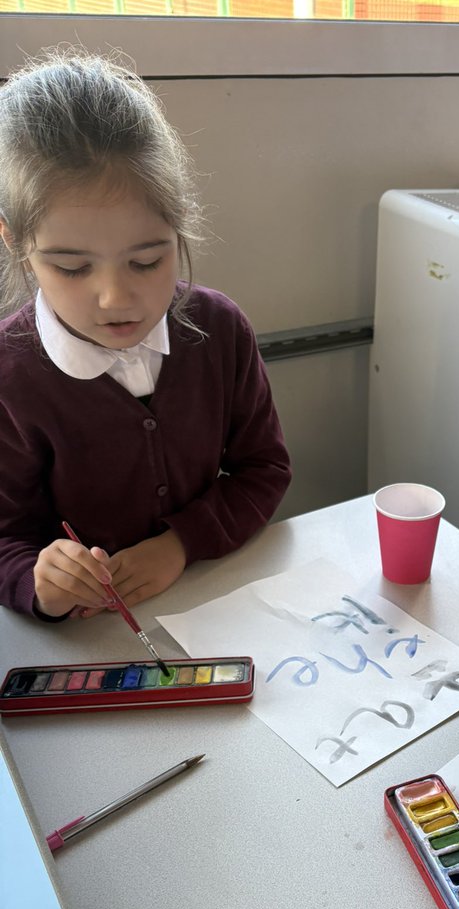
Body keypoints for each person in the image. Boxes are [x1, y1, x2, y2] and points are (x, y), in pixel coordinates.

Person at [0, 49, 292, 621]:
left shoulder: (219, 329)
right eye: (72, 267)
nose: (115, 299)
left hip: (212, 602)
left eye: (146, 260)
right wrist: (40, 584)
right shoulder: (11, 375)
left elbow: (264, 470)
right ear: (16, 244)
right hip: (87, 639)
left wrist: (180, 543)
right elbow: (4, 538)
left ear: (177, 224)